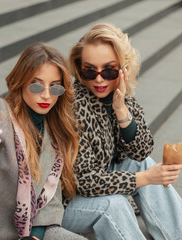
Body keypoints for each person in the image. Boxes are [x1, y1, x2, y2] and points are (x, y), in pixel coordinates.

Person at [0, 43, 88, 240]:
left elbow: (50, 202)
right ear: (21, 82)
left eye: (55, 87)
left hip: (30, 233)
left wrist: (35, 237)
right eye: (37, 85)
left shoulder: (56, 131)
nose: (46, 95)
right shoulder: (1, 114)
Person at [61, 23, 182, 240]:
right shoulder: (74, 107)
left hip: (97, 177)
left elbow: (142, 151)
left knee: (144, 164)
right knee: (114, 204)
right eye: (89, 70)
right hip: (64, 202)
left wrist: (121, 111)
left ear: (124, 69)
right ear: (79, 69)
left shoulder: (120, 96)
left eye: (108, 70)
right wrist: (143, 179)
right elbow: (85, 182)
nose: (99, 79)